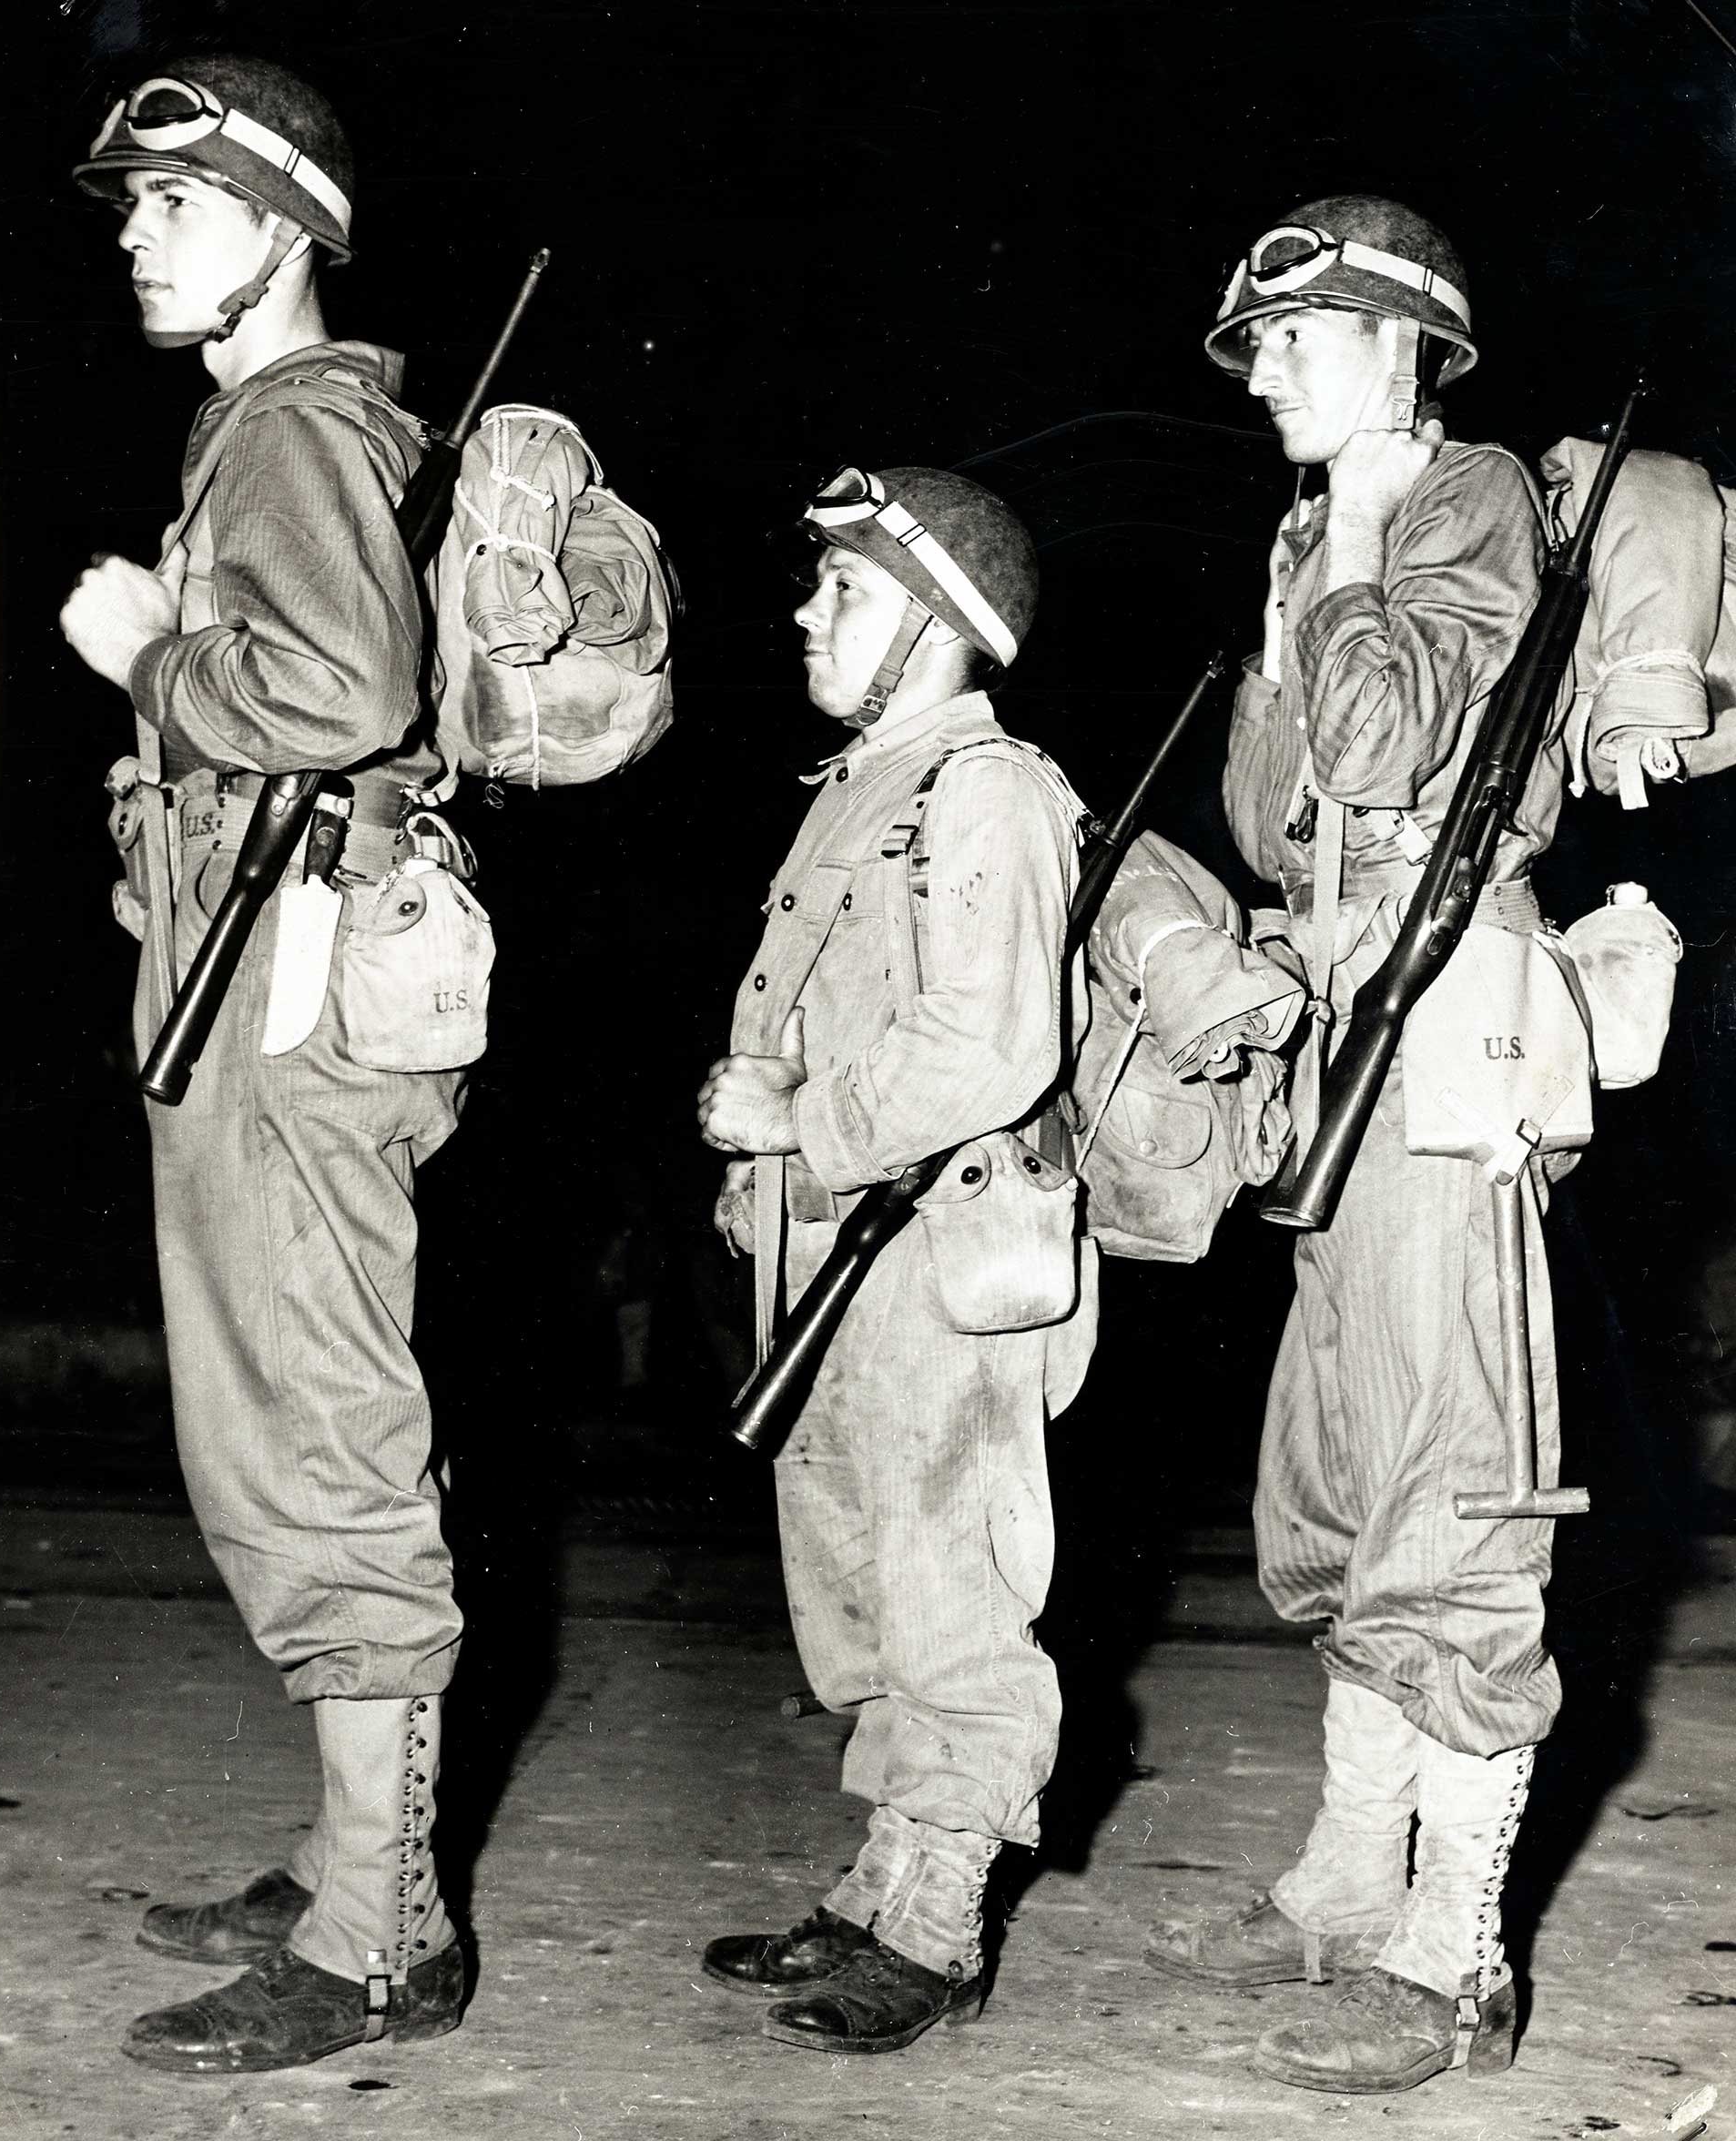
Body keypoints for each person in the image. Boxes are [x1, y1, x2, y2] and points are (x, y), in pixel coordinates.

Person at [60, 56, 473, 2073]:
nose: (133, 231)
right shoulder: (276, 432)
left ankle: (381, 1938)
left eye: (173, 201)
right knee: (283, 1431)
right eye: (127, 205)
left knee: (317, 1444)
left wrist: (147, 654)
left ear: (283, 227)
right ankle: (349, 1865)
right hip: (275, 993)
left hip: (301, 1008)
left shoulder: (291, 427)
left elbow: (337, 686)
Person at [1142, 198, 1564, 2093]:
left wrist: (1363, 550)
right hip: (1342, 1031)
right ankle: (1347, 1875)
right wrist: (1305, 589)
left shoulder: (1464, 503)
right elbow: (1265, 810)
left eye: (1301, 338)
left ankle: (1456, 1946)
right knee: (1333, 1476)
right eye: (1256, 346)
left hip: (1448, 1028)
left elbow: (1385, 752)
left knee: (1453, 1491)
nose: (1266, 375)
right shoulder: (1322, 534)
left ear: (1405, 346)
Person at [695, 465, 1096, 2054]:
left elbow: (985, 1050)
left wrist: (797, 1113)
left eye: (846, 590)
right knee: (858, 1588)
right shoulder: (867, 780)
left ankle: (938, 1925)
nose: (809, 608)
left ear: (937, 624)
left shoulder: (984, 791)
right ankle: (882, 1881)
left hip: (939, 1253)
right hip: (838, 1253)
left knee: (951, 1597)